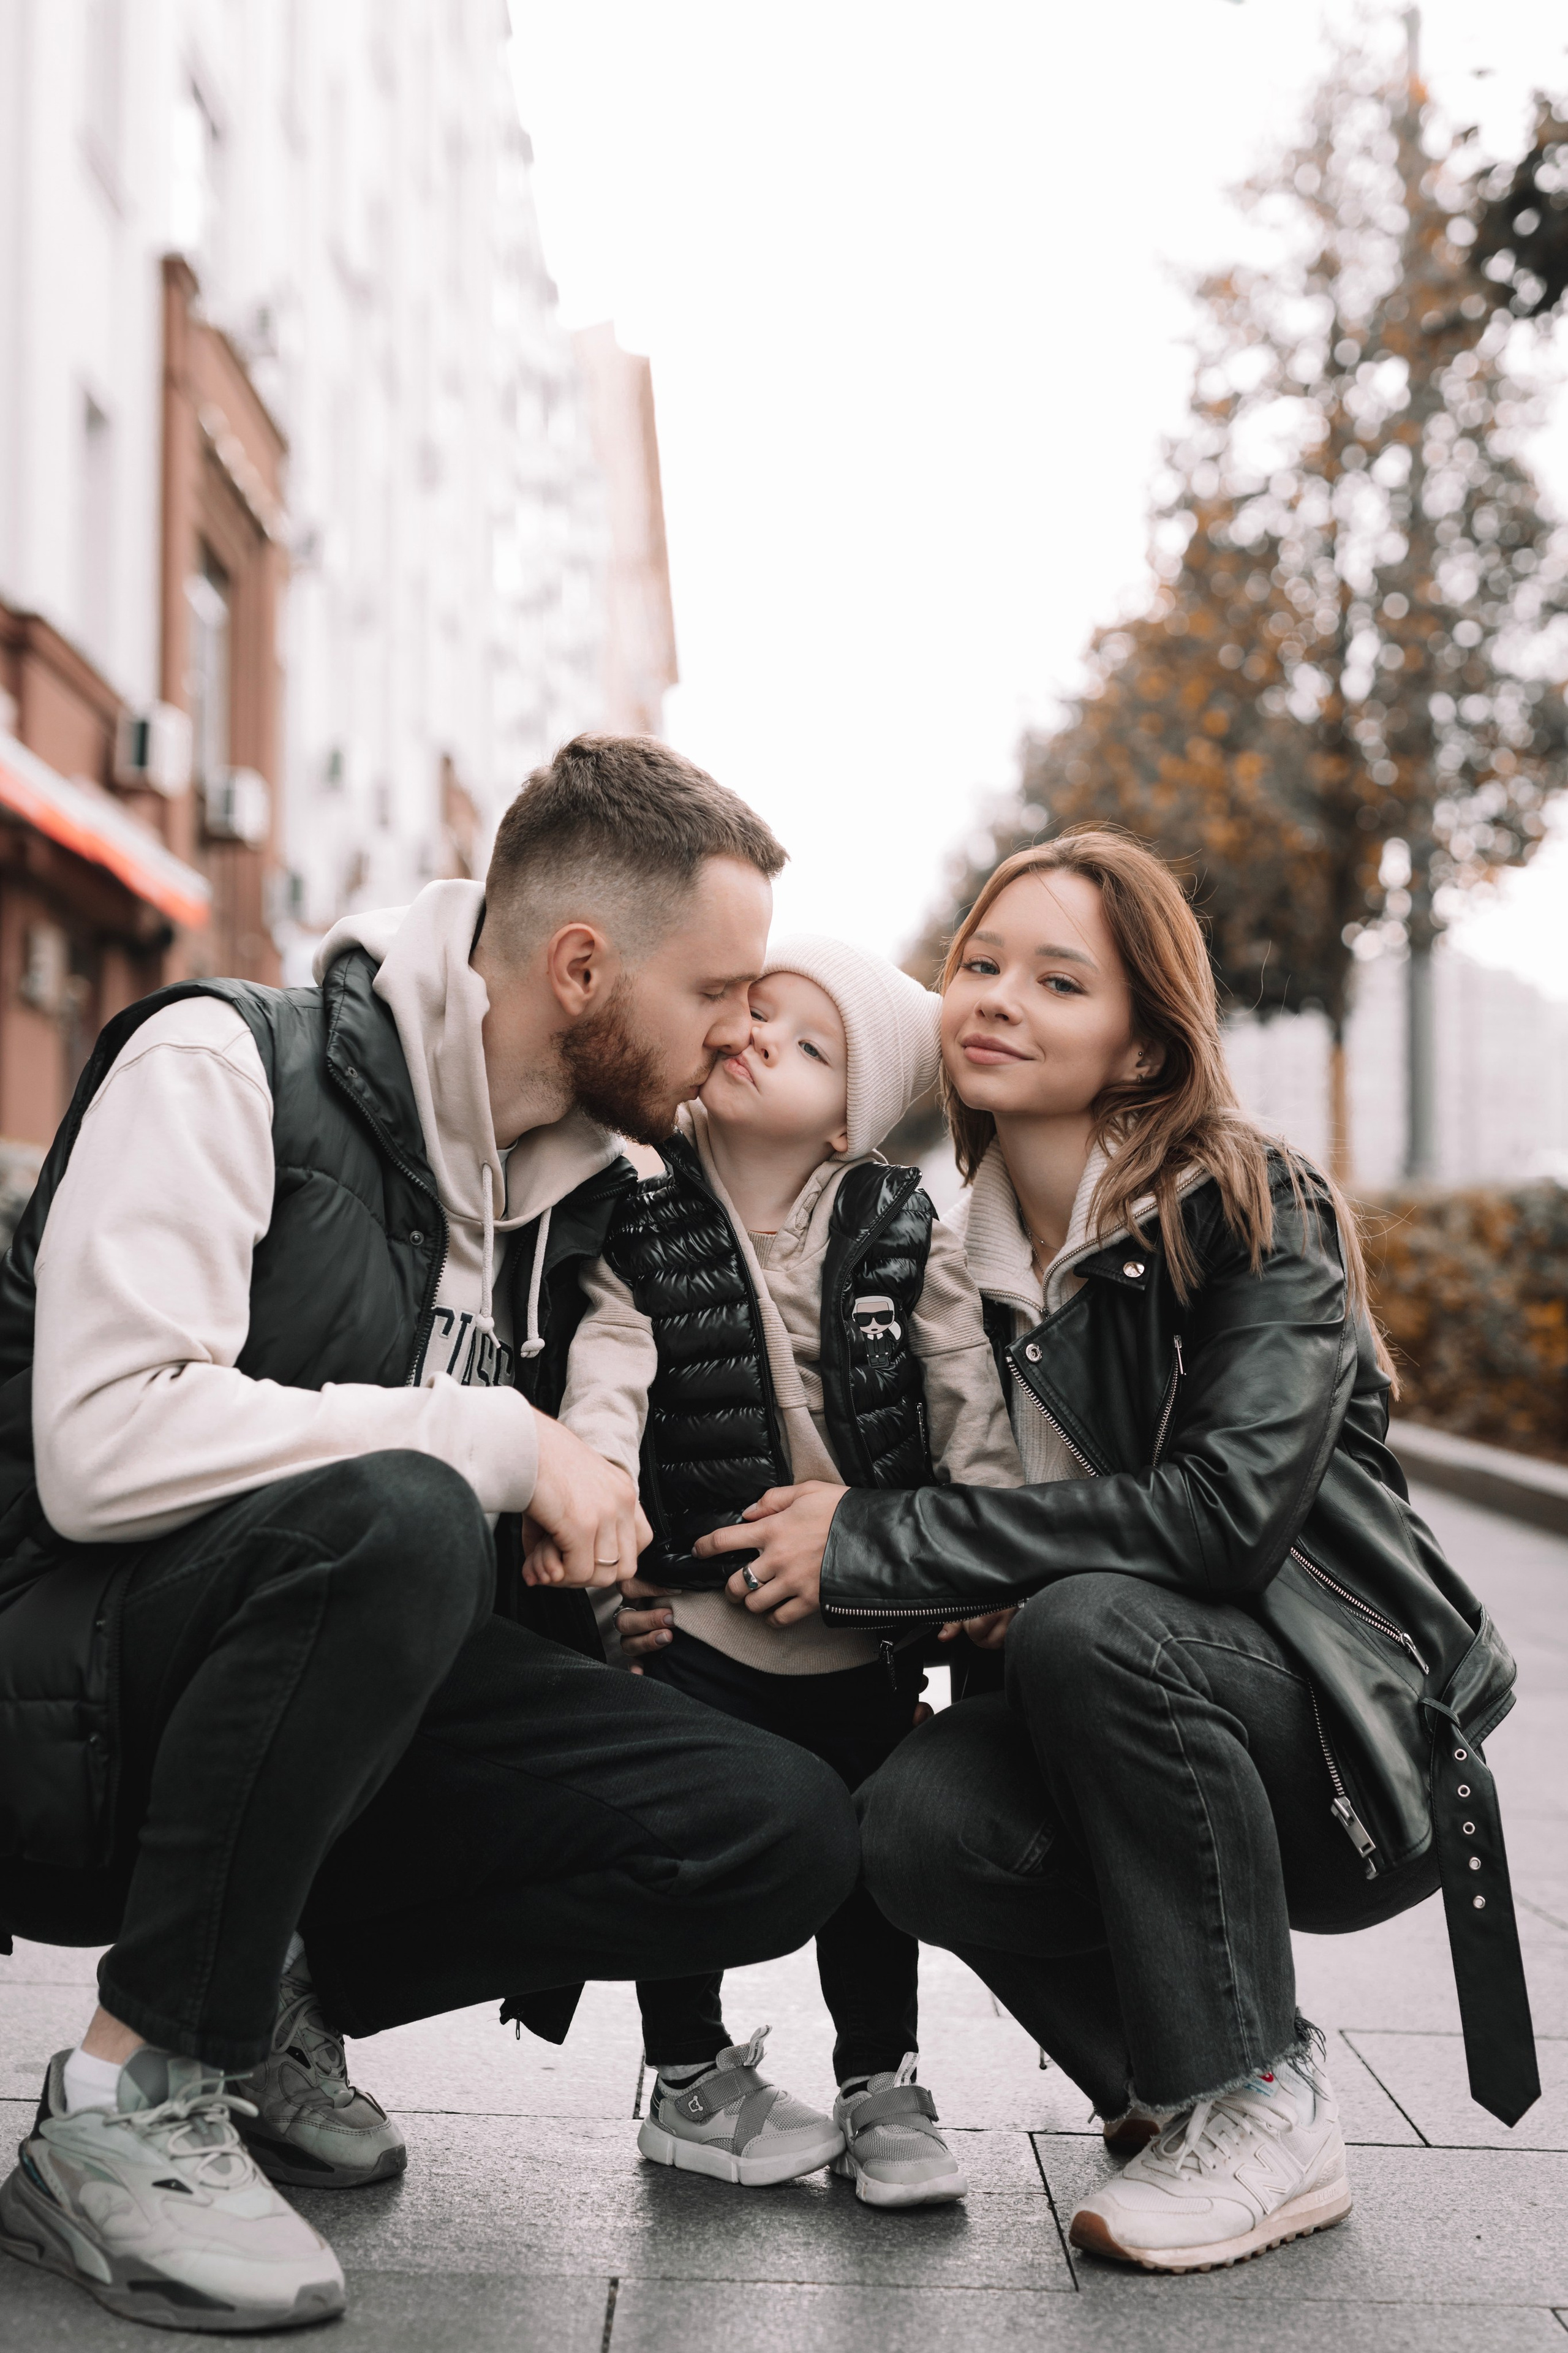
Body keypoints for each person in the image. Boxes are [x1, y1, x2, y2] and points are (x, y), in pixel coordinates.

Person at [0, 736, 861, 2332]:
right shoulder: (224, 1064)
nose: (747, 1029)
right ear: (582, 967)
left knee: (773, 1828)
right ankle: (126, 2099)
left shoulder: (561, 1194)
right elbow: (97, 1454)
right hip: (67, 1693)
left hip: (306, 1704)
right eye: (722, 988)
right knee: (407, 1509)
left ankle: (263, 1999)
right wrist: (498, 1438)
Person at [677, 829, 1537, 2276]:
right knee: (906, 1818)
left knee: (1087, 1621)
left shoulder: (1257, 1212)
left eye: (1058, 980)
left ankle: (1254, 2097)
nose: (997, 999)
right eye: (980, 966)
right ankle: (1172, 2085)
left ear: (1142, 1044)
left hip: (1346, 1749)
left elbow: (1214, 1514)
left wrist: (889, 1546)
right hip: (1125, 1729)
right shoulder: (952, 1268)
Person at [537, 936, 1022, 2205]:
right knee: (683, 1845)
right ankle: (686, 2074)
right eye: (751, 1013)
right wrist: (596, 1536)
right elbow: (610, 1368)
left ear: (850, 1112)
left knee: (868, 1872)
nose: (759, 1039)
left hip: (856, 1629)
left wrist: (984, 1551)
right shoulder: (638, 1207)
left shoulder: (898, 1227)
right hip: (694, 1624)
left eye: (807, 1043)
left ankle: (881, 2079)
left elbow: (962, 1392)